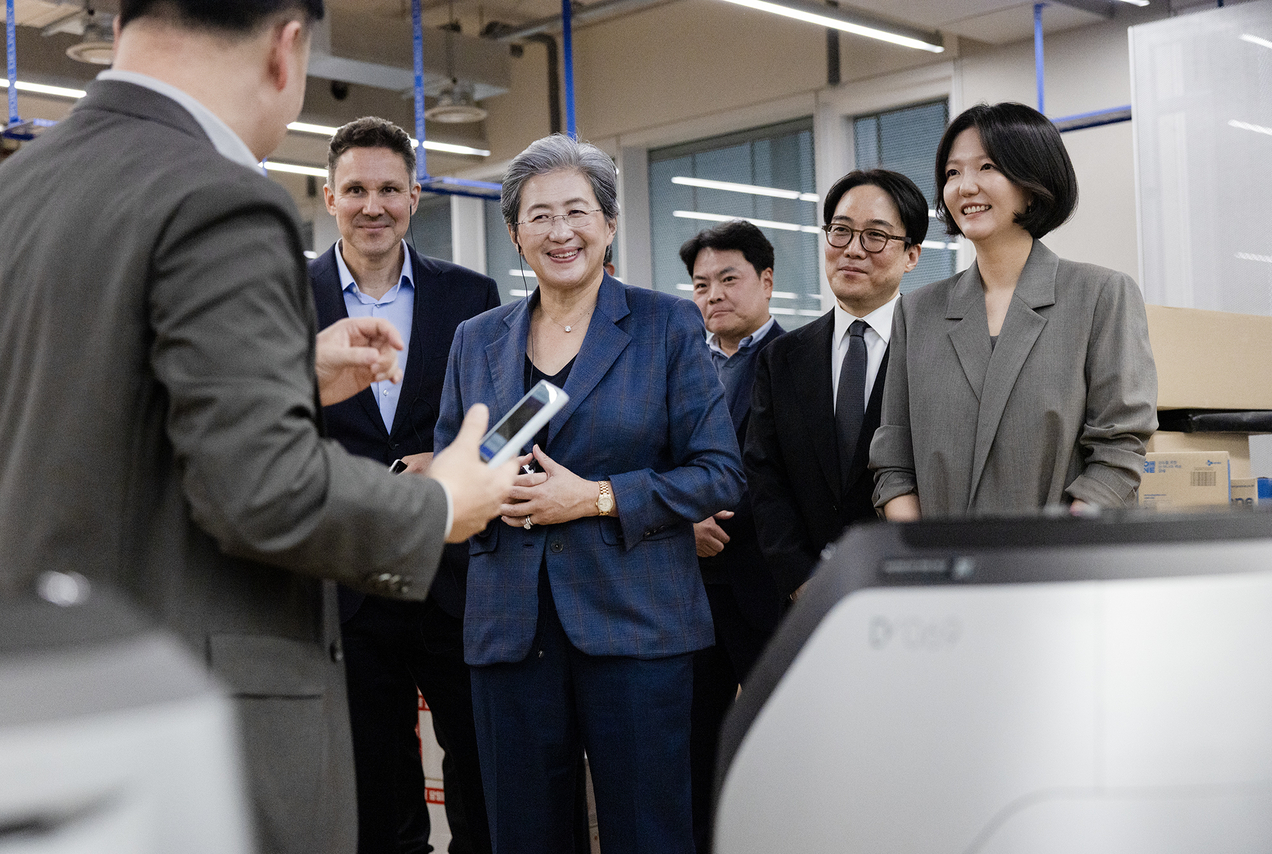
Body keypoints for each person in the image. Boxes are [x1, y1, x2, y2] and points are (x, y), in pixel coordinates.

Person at [0, 4, 518, 854]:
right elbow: (265, 490)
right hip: (189, 721)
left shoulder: (24, 183)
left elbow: (79, 406)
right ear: (286, 47)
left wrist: (284, 374)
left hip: (52, 690)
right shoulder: (221, 197)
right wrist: (439, 506)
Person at [435, 133, 745, 854]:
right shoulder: (474, 340)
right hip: (509, 628)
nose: (560, 231)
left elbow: (719, 472)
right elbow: (454, 469)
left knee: (647, 832)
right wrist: (480, 493)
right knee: (525, 834)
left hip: (636, 625)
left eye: (577, 211)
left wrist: (598, 497)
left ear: (608, 225)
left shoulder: (666, 324)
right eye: (538, 216)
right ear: (514, 234)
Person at [310, 116, 499, 854]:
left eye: (389, 188)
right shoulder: (287, 293)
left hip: (450, 567)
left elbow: (496, 418)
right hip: (347, 574)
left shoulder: (471, 295)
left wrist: (446, 457)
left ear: (415, 196)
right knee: (376, 778)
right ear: (330, 197)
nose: (372, 205)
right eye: (355, 189)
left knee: (478, 763)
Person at [870, 102, 1158, 518]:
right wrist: (924, 555)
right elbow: (894, 463)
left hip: (1057, 565)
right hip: (943, 569)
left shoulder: (1101, 295)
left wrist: (1055, 552)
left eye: (987, 167)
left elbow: (1118, 450)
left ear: (1032, 180)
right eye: (953, 173)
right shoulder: (916, 313)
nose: (965, 186)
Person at [744, 169, 927, 602]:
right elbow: (765, 477)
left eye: (875, 237)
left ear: (912, 255)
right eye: (840, 232)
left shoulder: (934, 349)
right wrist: (802, 580)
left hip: (911, 586)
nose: (852, 250)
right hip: (808, 598)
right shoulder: (782, 357)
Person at [679, 220, 784, 854]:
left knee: (777, 739)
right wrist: (679, 523)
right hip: (686, 583)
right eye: (700, 285)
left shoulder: (795, 358)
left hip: (762, 582)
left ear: (766, 281)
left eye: (728, 279)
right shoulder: (684, 363)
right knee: (694, 743)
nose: (713, 295)